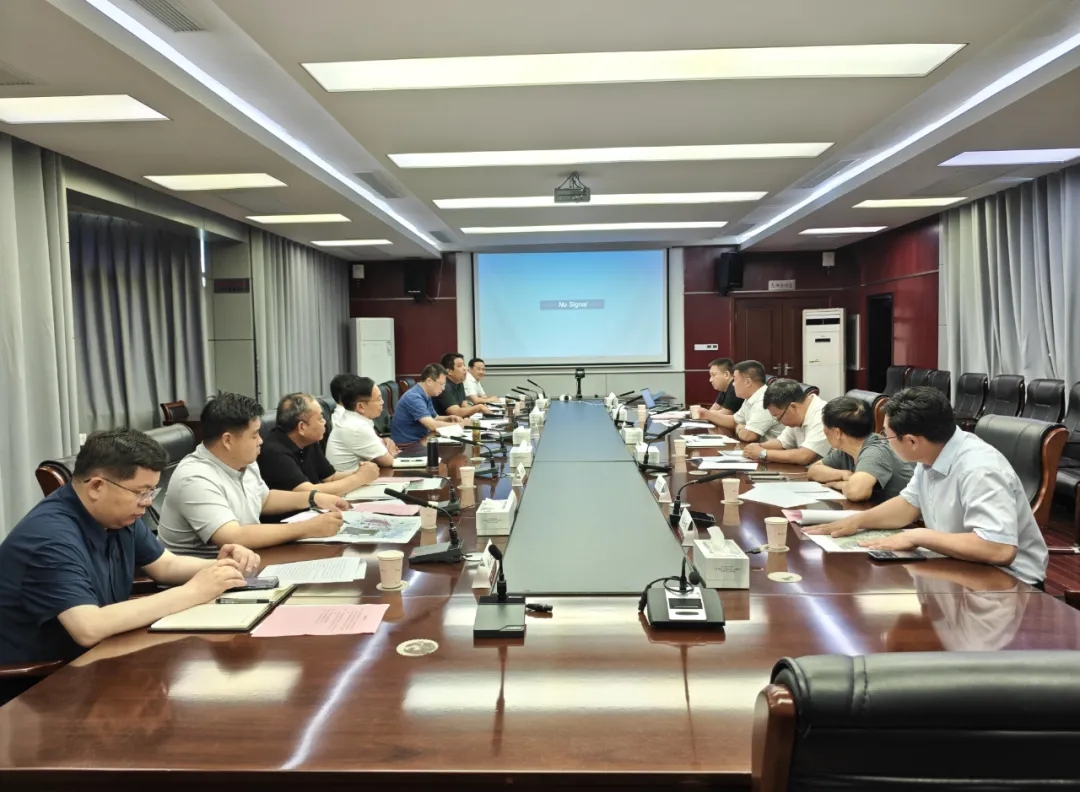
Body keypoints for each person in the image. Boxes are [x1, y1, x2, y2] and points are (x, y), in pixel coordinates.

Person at [0, 428, 260, 669]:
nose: (147, 503)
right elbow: (88, 627)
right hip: (42, 682)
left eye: (151, 492)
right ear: (97, 487)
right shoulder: (49, 538)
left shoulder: (118, 516)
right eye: (141, 492)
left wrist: (222, 568)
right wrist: (193, 591)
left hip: (100, 659)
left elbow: (165, 565)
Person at [805, 387, 1049, 586]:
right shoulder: (932, 453)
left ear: (912, 441)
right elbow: (907, 505)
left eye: (887, 435)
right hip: (959, 564)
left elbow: (998, 549)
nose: (885, 441)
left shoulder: (979, 470)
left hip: (1009, 583)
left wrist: (919, 536)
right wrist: (857, 521)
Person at [157, 393, 350, 556]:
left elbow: (264, 499)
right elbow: (232, 537)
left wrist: (313, 498)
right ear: (228, 440)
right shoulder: (195, 477)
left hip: (247, 562)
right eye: (254, 435)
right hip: (203, 575)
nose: (261, 441)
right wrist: (307, 528)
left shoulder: (243, 461)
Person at [257, 393, 380, 511]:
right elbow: (309, 492)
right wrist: (359, 478)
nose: (325, 422)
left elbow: (330, 478)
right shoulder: (274, 452)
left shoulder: (308, 440)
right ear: (302, 427)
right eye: (320, 418)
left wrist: (362, 472)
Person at [807, 396, 915, 502]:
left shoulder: (875, 451)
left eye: (826, 429)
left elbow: (857, 492)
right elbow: (813, 470)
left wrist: (839, 484)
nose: (825, 432)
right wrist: (843, 474)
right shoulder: (847, 449)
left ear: (837, 433)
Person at [742, 379, 830, 465]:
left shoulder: (822, 416)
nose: (779, 422)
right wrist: (758, 447)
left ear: (793, 407)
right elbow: (782, 442)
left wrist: (763, 453)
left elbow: (804, 456)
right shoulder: (798, 413)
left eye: (779, 417)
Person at [327, 375, 399, 470]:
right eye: (378, 399)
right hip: (351, 479)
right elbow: (388, 461)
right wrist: (388, 451)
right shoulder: (357, 427)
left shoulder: (353, 419)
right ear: (360, 407)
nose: (382, 402)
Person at [390, 363, 464, 445]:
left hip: (422, 440)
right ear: (429, 381)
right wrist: (458, 425)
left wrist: (449, 418)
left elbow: (435, 418)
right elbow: (432, 425)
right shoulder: (414, 397)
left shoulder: (426, 395)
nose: (443, 388)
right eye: (441, 384)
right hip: (408, 446)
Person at [726, 360, 783, 442]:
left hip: (774, 449)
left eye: (735, 380)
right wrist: (708, 414)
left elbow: (748, 436)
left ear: (748, 382)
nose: (733, 384)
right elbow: (735, 421)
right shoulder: (751, 397)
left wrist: (739, 428)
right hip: (760, 447)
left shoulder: (765, 400)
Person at [435, 353, 491, 419]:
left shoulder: (460, 383)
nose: (465, 368)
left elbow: (464, 407)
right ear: (449, 371)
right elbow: (456, 412)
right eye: (460, 366)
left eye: (464, 365)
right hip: (443, 424)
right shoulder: (444, 386)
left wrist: (477, 410)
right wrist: (478, 407)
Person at [692, 357, 744, 427]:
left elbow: (724, 414)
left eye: (713, 375)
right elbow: (714, 409)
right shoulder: (724, 388)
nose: (710, 380)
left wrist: (706, 414)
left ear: (726, 374)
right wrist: (708, 414)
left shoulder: (734, 388)